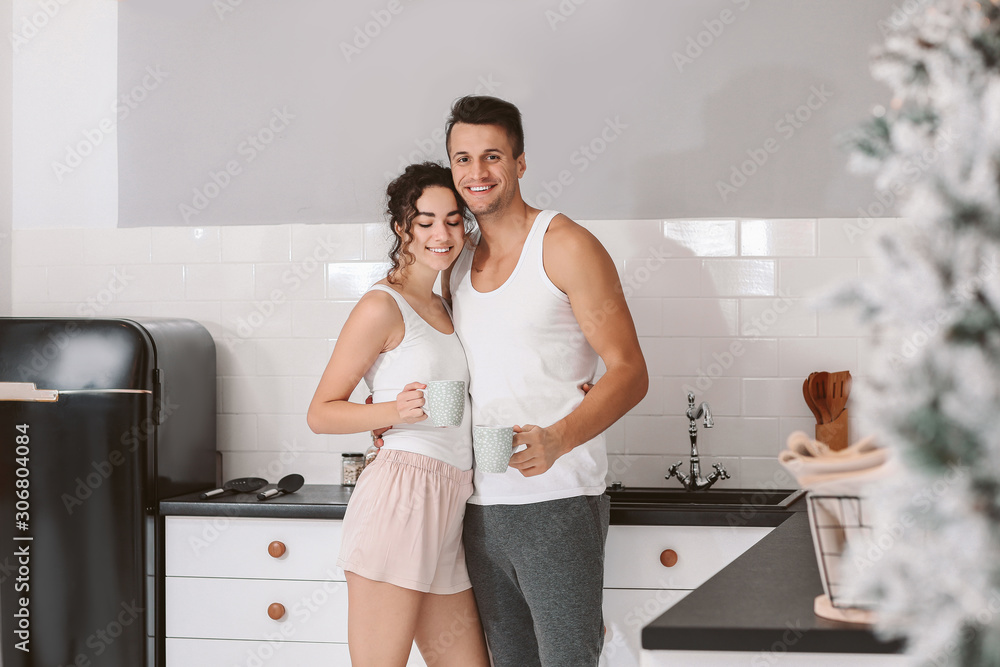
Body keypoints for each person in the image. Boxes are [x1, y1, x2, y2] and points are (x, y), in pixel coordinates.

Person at [442, 95, 648, 666]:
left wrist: (559, 437)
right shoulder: (456, 258)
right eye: (462, 159)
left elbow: (630, 371)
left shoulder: (564, 245)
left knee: (567, 660)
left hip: (556, 500)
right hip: (476, 502)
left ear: (521, 162)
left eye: (492, 157)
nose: (476, 174)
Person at [306, 163, 490, 667]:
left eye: (454, 220)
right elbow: (320, 412)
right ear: (401, 229)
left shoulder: (447, 304)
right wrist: (391, 410)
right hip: (401, 495)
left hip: (452, 501)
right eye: (425, 221)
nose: (441, 233)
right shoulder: (381, 306)